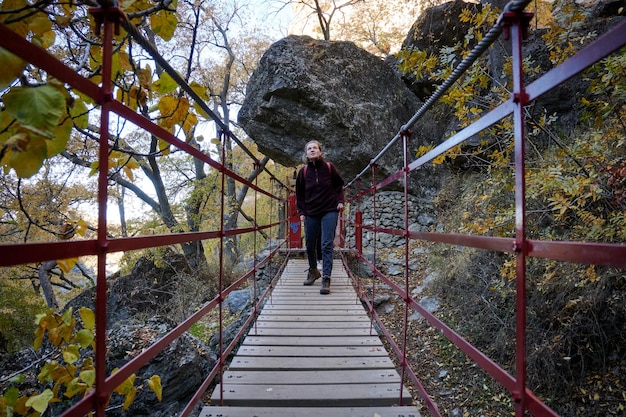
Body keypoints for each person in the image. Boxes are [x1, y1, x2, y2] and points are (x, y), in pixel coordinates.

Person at [295, 140, 345, 294]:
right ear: (306, 153)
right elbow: (299, 195)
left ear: (320, 151)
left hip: (329, 209)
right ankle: (313, 270)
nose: (312, 150)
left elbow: (338, 186)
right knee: (310, 244)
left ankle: (326, 277)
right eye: (309, 149)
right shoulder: (303, 172)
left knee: (326, 244)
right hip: (311, 212)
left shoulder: (329, 168)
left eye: (315, 148)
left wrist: (340, 201)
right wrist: (302, 212)